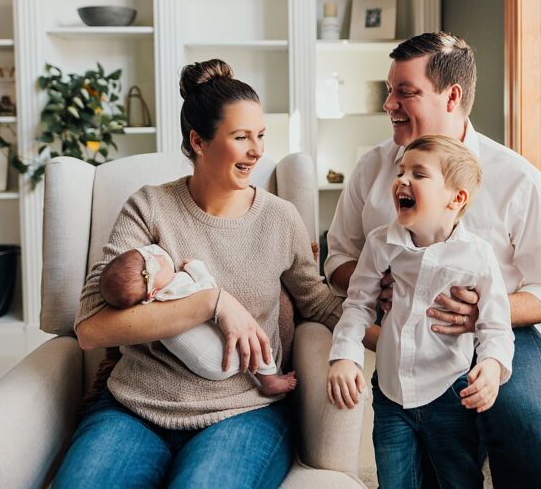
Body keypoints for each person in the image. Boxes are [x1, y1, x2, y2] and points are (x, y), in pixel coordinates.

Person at [53, 59, 343, 488]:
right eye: (241, 137)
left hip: (243, 412)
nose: (257, 150)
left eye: (260, 136)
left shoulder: (281, 219)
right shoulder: (149, 207)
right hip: (134, 407)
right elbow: (92, 330)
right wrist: (212, 302)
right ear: (199, 141)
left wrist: (384, 333)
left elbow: (316, 300)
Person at [325, 32, 541, 487]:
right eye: (390, 91)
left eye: (405, 92)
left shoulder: (516, 177)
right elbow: (339, 257)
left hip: (503, 329)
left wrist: (484, 308)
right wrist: (376, 280)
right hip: (406, 326)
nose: (389, 104)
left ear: (452, 96)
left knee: (529, 428)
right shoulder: (371, 169)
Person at [327, 135, 514, 488]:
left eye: (419, 173)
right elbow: (358, 304)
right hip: (391, 393)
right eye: (401, 171)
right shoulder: (381, 243)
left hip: (450, 390)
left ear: (456, 198)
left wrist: (491, 366)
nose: (402, 180)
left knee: (459, 480)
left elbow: (496, 326)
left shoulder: (477, 256)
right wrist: (345, 357)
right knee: (395, 481)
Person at [99, 243, 297, 395]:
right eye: (158, 262)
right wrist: (195, 267)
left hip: (202, 366)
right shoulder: (177, 287)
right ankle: (270, 381)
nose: (160, 256)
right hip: (219, 356)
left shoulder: (147, 306)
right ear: (153, 291)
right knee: (255, 341)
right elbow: (210, 289)